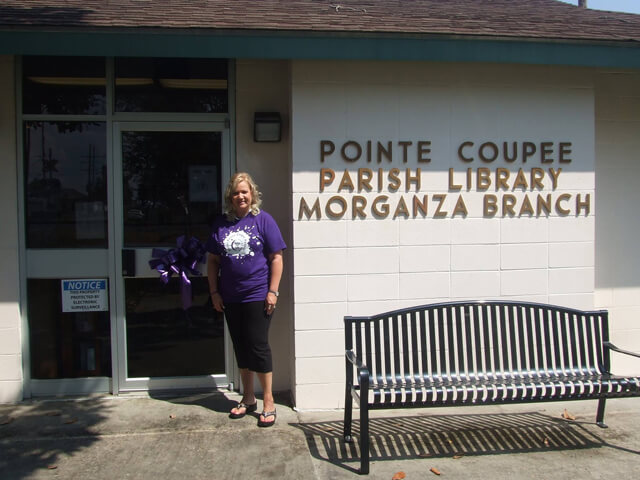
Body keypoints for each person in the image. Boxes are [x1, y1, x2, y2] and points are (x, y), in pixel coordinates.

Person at [206, 172, 286, 427]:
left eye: (245, 192)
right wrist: (214, 292)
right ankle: (248, 397)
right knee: (241, 346)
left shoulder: (263, 221)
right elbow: (212, 261)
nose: (240, 196)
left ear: (252, 194)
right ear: (230, 197)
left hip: (257, 295)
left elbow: (276, 257)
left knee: (258, 346)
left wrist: (272, 291)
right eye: (236, 193)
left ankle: (269, 401)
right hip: (231, 297)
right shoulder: (221, 224)